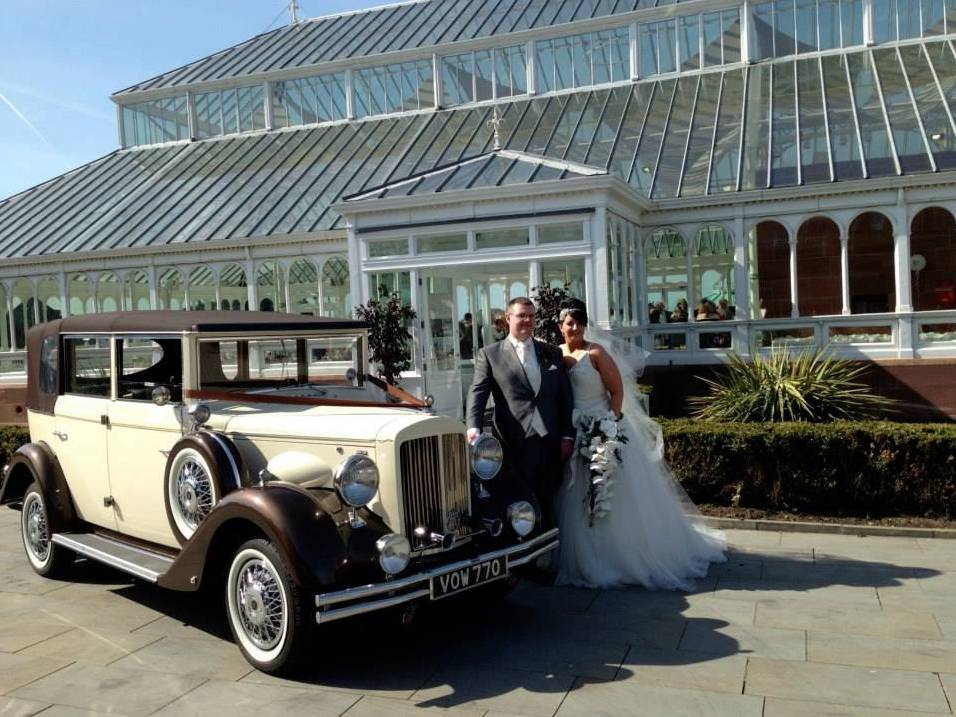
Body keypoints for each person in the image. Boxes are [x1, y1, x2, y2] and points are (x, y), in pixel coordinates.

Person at [555, 298, 725, 589]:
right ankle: (579, 556)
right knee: (576, 493)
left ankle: (614, 556)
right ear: (560, 327)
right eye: (569, 323)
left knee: (610, 495)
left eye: (579, 323)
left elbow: (617, 391)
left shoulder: (596, 353)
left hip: (601, 427)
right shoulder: (556, 354)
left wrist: (609, 426)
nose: (575, 328)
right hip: (573, 429)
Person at [466, 297, 575, 527]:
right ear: (508, 318)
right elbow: (477, 394)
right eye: (521, 315)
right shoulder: (490, 355)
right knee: (517, 503)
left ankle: (546, 557)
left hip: (550, 441)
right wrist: (473, 428)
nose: (527, 320)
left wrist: (567, 435)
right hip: (514, 442)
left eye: (531, 316)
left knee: (549, 500)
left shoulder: (551, 352)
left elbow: (565, 397)